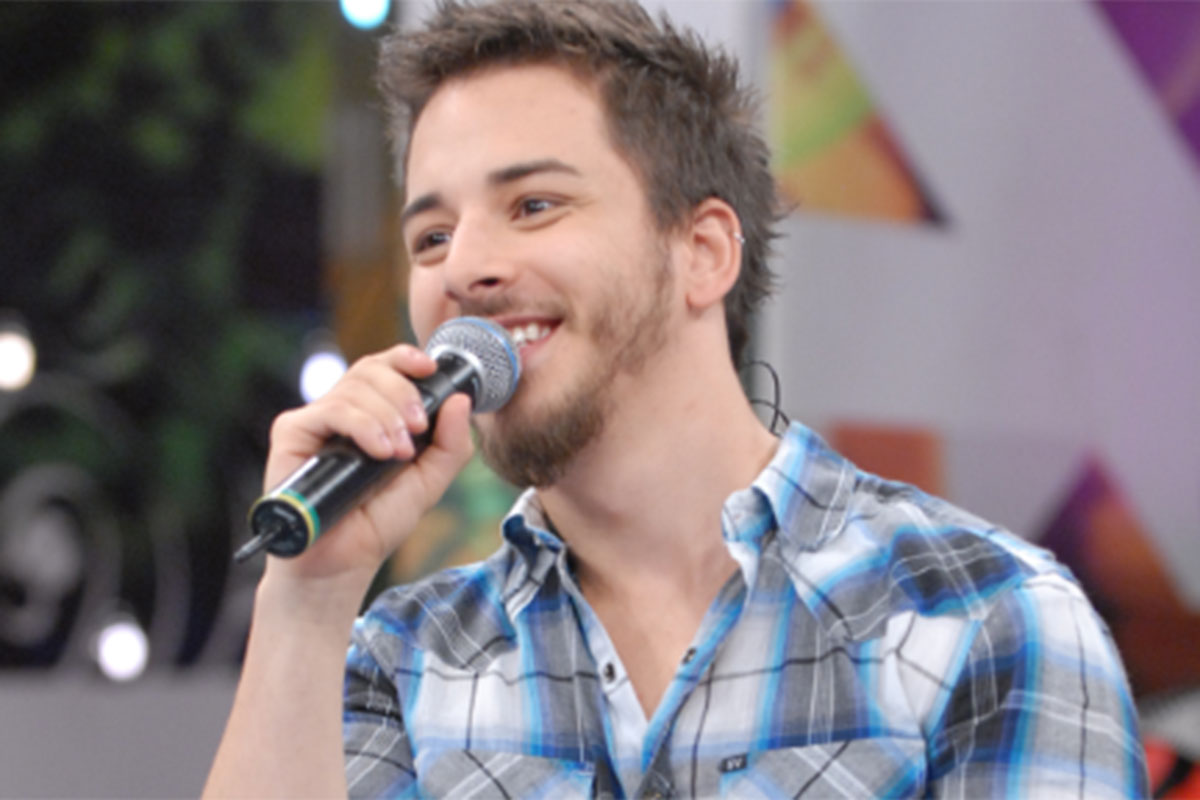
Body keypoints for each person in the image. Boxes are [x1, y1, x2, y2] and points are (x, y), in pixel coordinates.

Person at [203, 1, 1148, 797]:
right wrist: (308, 599)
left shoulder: (987, 618)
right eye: (432, 237)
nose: (466, 268)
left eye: (534, 205)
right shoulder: (402, 661)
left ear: (702, 253)